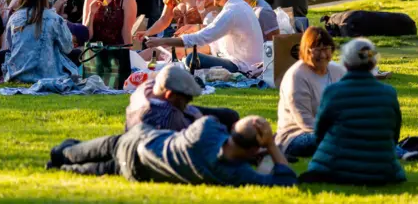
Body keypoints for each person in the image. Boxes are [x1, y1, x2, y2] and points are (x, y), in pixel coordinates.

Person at [48, 115, 297, 187]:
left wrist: (260, 147)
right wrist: (271, 148)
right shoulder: (230, 173)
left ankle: (60, 154)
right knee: (92, 168)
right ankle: (62, 167)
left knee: (70, 151)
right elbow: (286, 180)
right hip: (137, 169)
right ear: (256, 148)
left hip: (136, 141)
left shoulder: (207, 129)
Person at [300, 38, 406, 185]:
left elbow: (319, 132)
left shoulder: (333, 92)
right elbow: (394, 133)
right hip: (383, 170)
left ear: (346, 63)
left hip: (337, 168)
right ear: (374, 62)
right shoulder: (389, 93)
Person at [146, 0, 263, 75]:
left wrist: (162, 41)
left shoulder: (231, 11)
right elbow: (212, 34)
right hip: (248, 63)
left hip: (243, 67)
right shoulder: (238, 5)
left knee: (191, 59)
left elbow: (202, 37)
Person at [275, 27, 346, 157]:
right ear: (306, 51)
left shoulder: (338, 71)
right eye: (317, 50)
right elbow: (305, 121)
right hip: (297, 135)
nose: (323, 55)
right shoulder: (296, 76)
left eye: (326, 49)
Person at [3, 0, 78, 83]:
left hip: (17, 73)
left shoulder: (14, 18)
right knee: (76, 53)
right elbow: (68, 47)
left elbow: (11, 46)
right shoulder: (54, 18)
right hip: (48, 74)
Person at [126, 65, 240, 132]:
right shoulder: (170, 119)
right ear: (169, 95)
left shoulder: (145, 90)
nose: (189, 102)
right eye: (186, 99)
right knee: (229, 116)